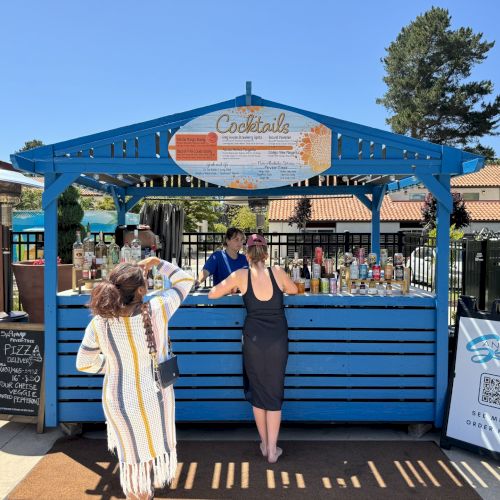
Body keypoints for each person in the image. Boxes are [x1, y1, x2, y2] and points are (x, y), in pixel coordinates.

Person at [76, 256, 194, 500]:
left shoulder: (100, 322)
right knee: (148, 452)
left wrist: (112, 366)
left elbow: (84, 362)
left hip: (118, 399)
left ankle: (137, 495)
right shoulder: (159, 308)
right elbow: (185, 280)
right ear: (141, 290)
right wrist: (158, 262)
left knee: (131, 458)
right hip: (154, 398)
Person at [208, 234, 298, 463]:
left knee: (258, 391)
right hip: (278, 339)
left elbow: (212, 293)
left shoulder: (240, 275)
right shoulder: (277, 272)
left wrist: (233, 289)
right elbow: (295, 290)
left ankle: (265, 445)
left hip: (254, 341)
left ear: (246, 253)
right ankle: (273, 450)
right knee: (274, 392)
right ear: (266, 252)